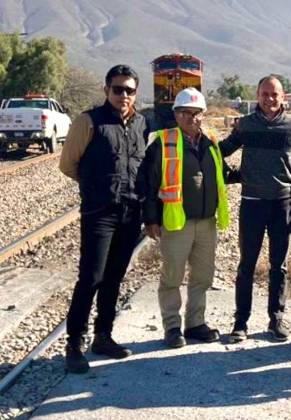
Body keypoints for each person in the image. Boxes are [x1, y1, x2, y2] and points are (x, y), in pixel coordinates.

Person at [59, 65, 148, 374]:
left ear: (136, 93)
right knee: (91, 277)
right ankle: (74, 344)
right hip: (99, 213)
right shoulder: (88, 122)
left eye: (129, 90)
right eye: (118, 89)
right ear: (106, 90)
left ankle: (103, 336)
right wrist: (95, 187)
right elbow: (68, 164)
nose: (123, 95)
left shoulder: (141, 124)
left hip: (130, 212)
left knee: (114, 277)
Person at [142, 88, 232, 348]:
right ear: (176, 114)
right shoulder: (163, 143)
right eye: (185, 112)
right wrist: (151, 219)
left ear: (203, 114)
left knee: (203, 276)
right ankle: (172, 327)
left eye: (196, 113)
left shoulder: (211, 142)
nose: (191, 117)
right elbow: (149, 183)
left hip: (206, 222)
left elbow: (223, 174)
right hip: (176, 221)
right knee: (172, 276)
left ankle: (195, 324)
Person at [219, 75, 291, 343]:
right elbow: (220, 151)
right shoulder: (245, 125)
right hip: (252, 204)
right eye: (265, 94)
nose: (269, 99)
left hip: (283, 205)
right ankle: (240, 322)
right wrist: (234, 175)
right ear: (257, 96)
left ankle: (276, 319)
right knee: (246, 265)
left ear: (283, 97)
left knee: (279, 266)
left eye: (274, 94)